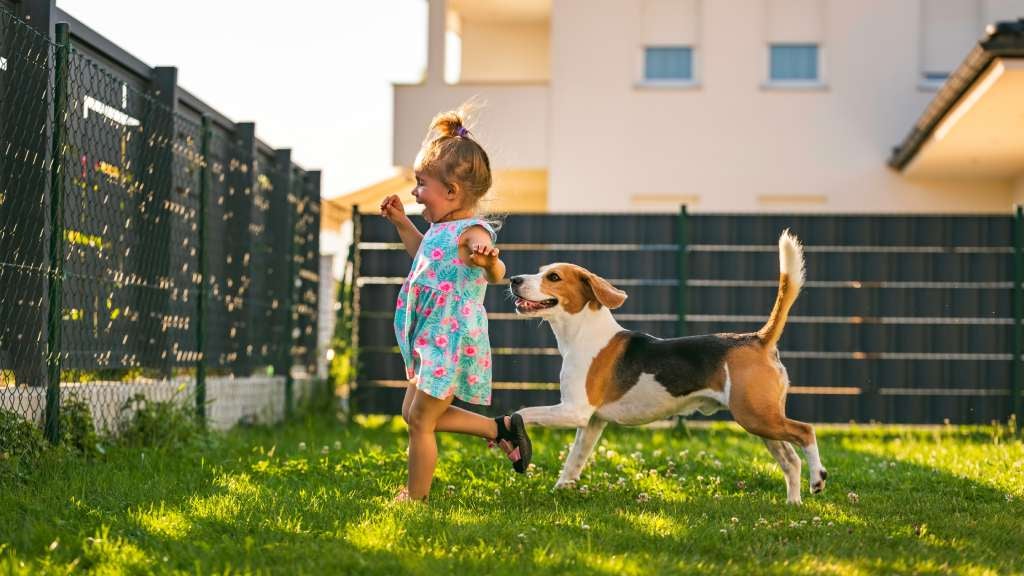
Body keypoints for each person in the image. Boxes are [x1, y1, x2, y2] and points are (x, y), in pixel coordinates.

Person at [380, 105, 531, 502]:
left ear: (452, 192)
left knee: (420, 421)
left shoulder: (471, 231)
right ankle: (500, 429)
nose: (415, 192)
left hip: (449, 337)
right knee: (412, 413)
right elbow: (424, 257)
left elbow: (496, 273)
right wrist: (402, 224)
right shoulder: (437, 229)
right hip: (429, 335)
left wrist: (488, 258)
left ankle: (416, 498)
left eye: (420, 183)